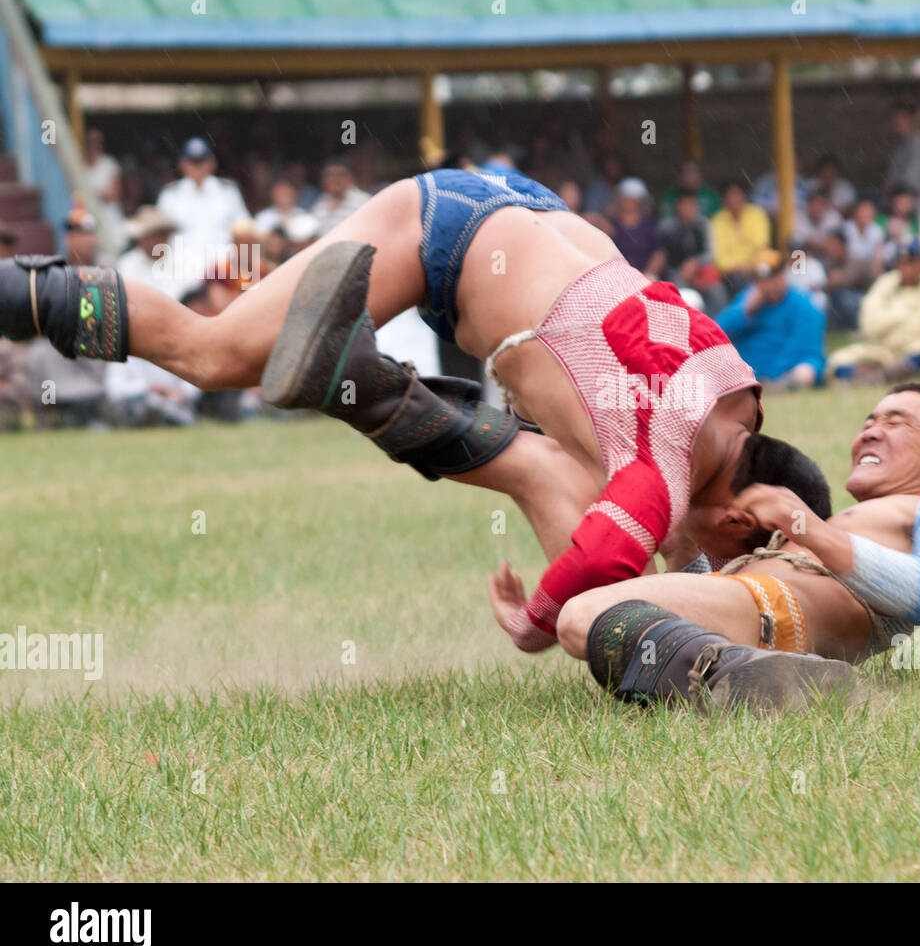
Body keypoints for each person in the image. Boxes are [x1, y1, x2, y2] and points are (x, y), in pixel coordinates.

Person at [2, 165, 830, 655]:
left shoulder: (737, 383)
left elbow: (653, 521)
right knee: (211, 354)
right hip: (447, 232)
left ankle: (359, 380)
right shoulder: (664, 461)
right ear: (745, 514)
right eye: (725, 554)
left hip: (537, 227)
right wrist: (538, 619)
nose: (701, 558)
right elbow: (600, 565)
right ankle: (16, 291)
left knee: (563, 477)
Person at [549, 384, 920, 713]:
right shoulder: (847, 526)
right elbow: (715, 611)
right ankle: (751, 676)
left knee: (581, 616)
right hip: (764, 619)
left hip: (776, 611)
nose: (871, 433)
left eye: (896, 422)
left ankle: (744, 679)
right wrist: (683, 552)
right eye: (868, 423)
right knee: (606, 623)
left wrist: (806, 525)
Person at [826, 239, 920, 385]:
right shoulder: (886, 283)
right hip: (885, 353)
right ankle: (879, 376)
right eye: (901, 263)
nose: (905, 268)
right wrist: (905, 316)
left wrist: (889, 324)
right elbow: (869, 325)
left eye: (911, 262)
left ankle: (878, 376)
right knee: (838, 361)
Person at [715, 251, 825, 391]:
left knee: (806, 371)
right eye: (762, 281)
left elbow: (801, 347)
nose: (769, 285)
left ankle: (780, 387)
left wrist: (772, 375)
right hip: (751, 371)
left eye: (773, 278)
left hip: (788, 370)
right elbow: (716, 333)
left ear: (783, 276)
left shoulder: (803, 304)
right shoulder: (748, 300)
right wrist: (744, 312)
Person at [156, 137, 250, 271]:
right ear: (182, 164)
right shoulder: (170, 195)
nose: (197, 167)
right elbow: (159, 234)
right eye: (193, 162)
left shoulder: (228, 191)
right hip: (182, 269)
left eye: (201, 161)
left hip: (220, 269)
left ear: (212, 163)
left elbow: (244, 228)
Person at [710, 181, 771, 288]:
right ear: (725, 199)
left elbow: (762, 245)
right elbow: (718, 256)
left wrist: (750, 266)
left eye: (737, 194)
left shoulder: (756, 214)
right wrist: (738, 267)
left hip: (756, 268)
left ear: (744, 196)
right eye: (730, 195)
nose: (734, 199)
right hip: (730, 273)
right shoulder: (718, 220)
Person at [609, 178, 664, 276]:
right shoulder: (611, 224)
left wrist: (648, 275)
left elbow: (658, 253)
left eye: (631, 198)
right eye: (625, 197)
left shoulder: (649, 224)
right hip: (616, 277)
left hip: (645, 277)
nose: (628, 202)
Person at [884, 101, 920, 202]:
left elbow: (911, 177)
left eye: (900, 118)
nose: (895, 122)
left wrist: (894, 190)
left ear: (910, 119)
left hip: (919, 200)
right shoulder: (902, 143)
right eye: (894, 118)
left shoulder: (919, 141)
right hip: (901, 199)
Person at [312, 157, 371, 235]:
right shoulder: (320, 203)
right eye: (330, 175)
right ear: (323, 179)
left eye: (341, 175)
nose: (336, 180)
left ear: (352, 177)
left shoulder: (365, 202)